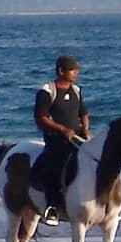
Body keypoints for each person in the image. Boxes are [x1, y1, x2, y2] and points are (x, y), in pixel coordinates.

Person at [34, 54, 91, 226]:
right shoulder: (47, 91)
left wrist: (86, 129)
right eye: (72, 71)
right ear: (61, 71)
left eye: (76, 71)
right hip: (56, 138)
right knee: (55, 165)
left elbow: (84, 113)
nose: (76, 74)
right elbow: (41, 117)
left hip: (77, 136)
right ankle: (51, 208)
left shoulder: (76, 90)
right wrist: (62, 129)